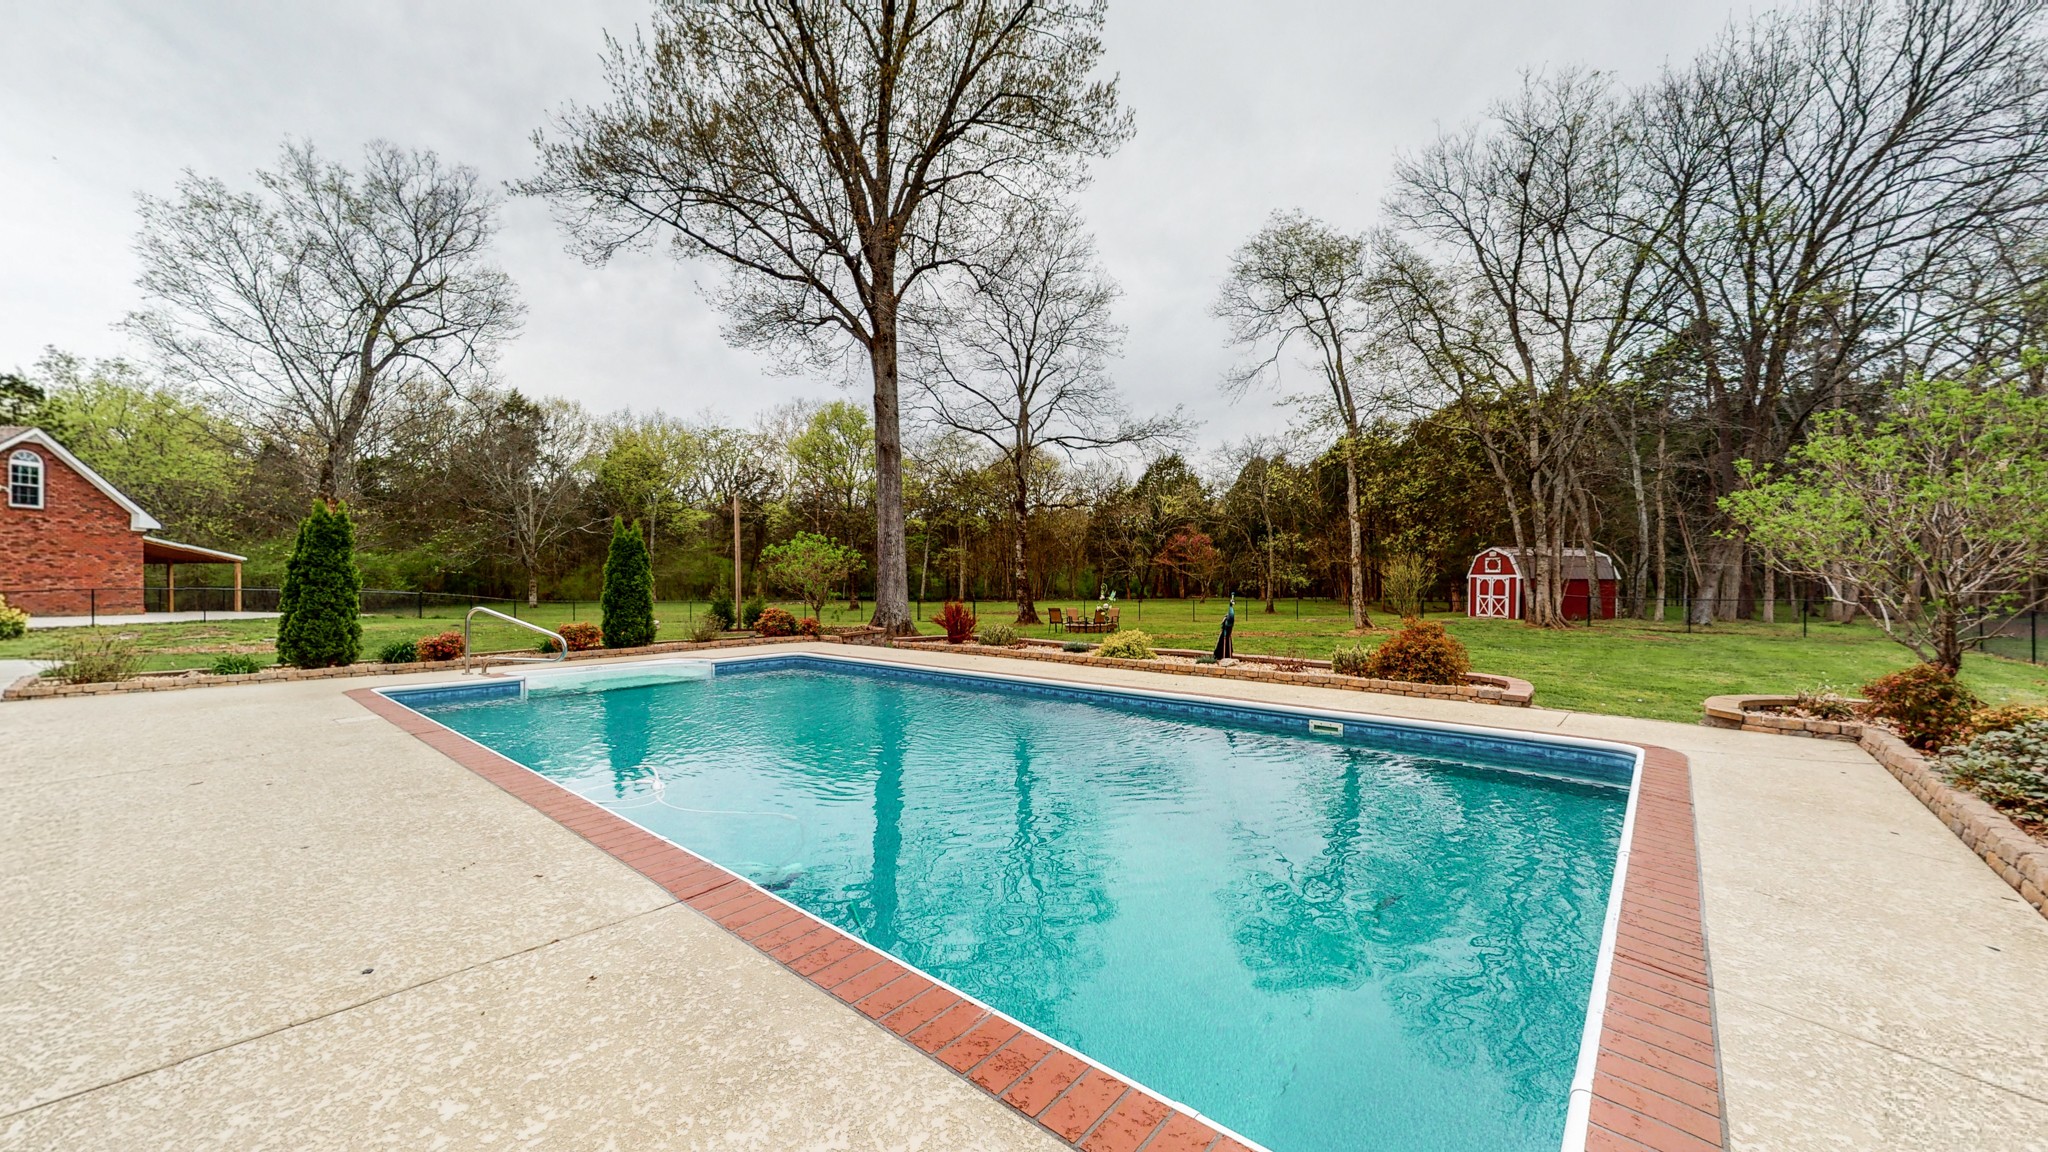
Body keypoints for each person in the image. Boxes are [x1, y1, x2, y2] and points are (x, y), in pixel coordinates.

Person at [1213, 594, 1235, 661]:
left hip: (1229, 629)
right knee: (1224, 638)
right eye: (1232, 602)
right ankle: (1222, 655)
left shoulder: (1231, 615)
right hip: (1225, 630)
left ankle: (1228, 655)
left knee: (1228, 638)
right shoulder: (1227, 617)